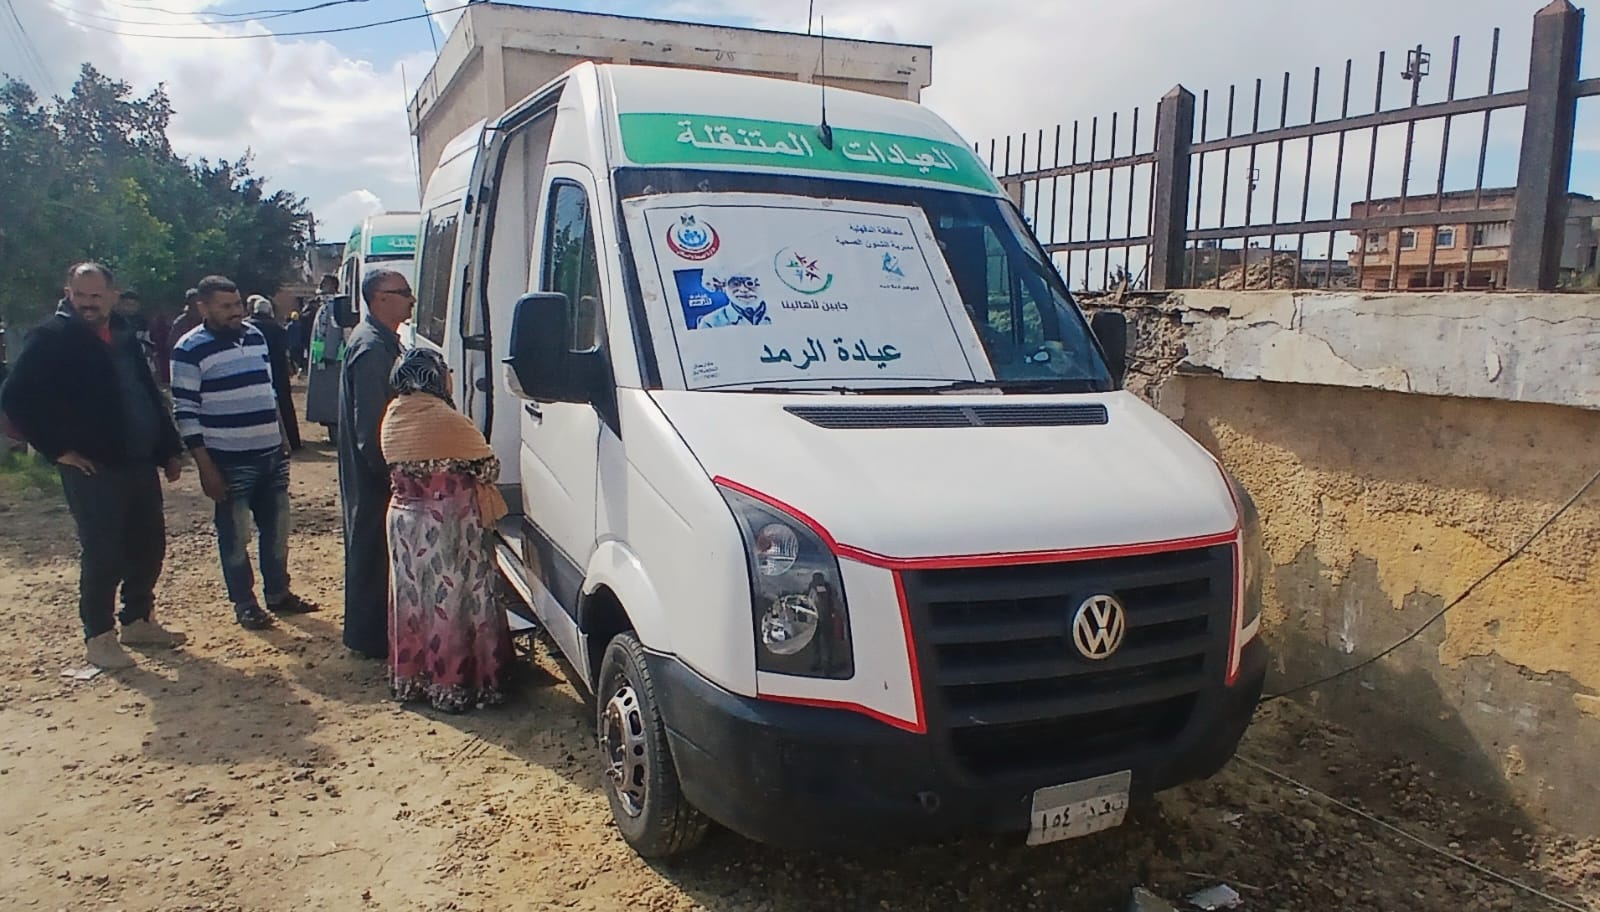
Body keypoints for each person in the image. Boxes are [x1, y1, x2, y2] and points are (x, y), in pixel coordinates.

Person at [0, 262, 188, 669]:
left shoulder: (123, 333)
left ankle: (138, 620)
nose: (88, 303)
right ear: (68, 294)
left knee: (148, 546)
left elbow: (146, 392)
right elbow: (15, 397)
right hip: (92, 467)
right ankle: (99, 635)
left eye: (96, 296)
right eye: (80, 295)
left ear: (113, 296)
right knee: (105, 552)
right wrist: (56, 449)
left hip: (138, 460)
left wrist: (168, 448)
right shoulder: (51, 338)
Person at [172, 275, 318, 630]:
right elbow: (186, 412)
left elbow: (268, 391)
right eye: (225, 307)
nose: (235, 312)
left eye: (237, 304)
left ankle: (278, 593)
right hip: (228, 460)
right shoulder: (189, 349)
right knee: (236, 537)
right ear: (203, 308)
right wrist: (206, 467)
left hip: (271, 455)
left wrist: (282, 435)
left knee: (277, 532)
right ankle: (245, 603)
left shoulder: (255, 336)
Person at [379, 348, 514, 711]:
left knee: (412, 601)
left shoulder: (393, 415)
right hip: (447, 523)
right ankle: (458, 684)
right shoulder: (446, 419)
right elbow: (488, 467)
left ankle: (416, 682)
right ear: (434, 377)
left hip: (404, 522)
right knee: (453, 600)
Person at [338, 268, 411, 659]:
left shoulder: (382, 341)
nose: (411, 299)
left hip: (375, 469)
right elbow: (371, 425)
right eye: (404, 292)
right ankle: (369, 639)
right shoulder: (371, 348)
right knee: (372, 551)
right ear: (380, 298)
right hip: (373, 472)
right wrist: (390, 475)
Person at [246, 295, 303, 451]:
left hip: (256, 370)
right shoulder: (278, 328)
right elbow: (285, 351)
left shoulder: (246, 327)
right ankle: (293, 440)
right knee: (284, 406)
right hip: (278, 371)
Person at [304, 275, 344, 437]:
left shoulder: (334, 306)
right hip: (321, 357)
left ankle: (335, 434)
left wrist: (329, 355)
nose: (320, 285)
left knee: (330, 398)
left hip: (329, 360)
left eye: (324, 283)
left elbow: (334, 331)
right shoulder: (325, 305)